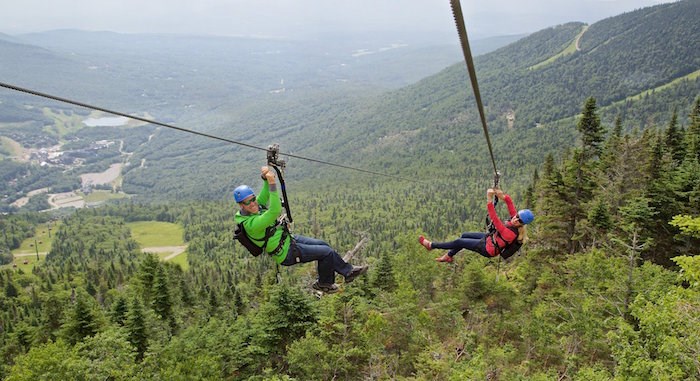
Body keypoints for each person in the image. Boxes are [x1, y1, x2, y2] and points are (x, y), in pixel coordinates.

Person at [234, 166, 368, 293]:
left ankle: (341, 274)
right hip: (286, 253)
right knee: (326, 253)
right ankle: (327, 282)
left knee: (324, 245)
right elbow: (275, 210)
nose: (253, 203)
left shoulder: (255, 207)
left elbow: (264, 195)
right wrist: (272, 182)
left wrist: (265, 179)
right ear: (241, 205)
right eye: (247, 202)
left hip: (288, 241)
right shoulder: (251, 224)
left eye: (252, 199)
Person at [418, 188, 534, 262]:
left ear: (521, 225)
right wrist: (502, 196)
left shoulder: (511, 233)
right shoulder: (516, 219)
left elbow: (495, 218)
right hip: (490, 239)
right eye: (516, 216)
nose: (515, 219)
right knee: (464, 235)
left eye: (518, 220)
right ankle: (449, 256)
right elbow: (510, 203)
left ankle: (431, 245)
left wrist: (489, 198)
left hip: (488, 249)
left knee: (459, 242)